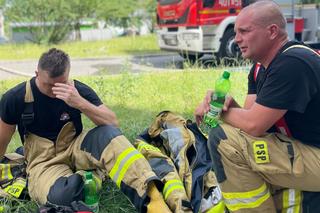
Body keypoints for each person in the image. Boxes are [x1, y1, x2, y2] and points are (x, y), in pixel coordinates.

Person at [0, 48, 171, 213]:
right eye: (48, 85)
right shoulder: (15, 98)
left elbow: (113, 122)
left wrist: (79, 102)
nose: (55, 91)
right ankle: (93, 175)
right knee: (62, 199)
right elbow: (1, 141)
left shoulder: (77, 90)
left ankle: (153, 200)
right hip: (44, 162)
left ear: (68, 75)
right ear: (37, 73)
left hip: (76, 147)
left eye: (61, 84)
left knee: (109, 135)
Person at [195, 1, 320, 212]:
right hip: (304, 150)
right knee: (232, 135)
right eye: (235, 32)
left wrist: (215, 111)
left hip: (315, 154)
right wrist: (228, 104)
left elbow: (254, 125)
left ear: (272, 31)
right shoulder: (259, 68)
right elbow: (248, 120)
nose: (236, 39)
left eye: (244, 31)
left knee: (222, 139)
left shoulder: (293, 62)